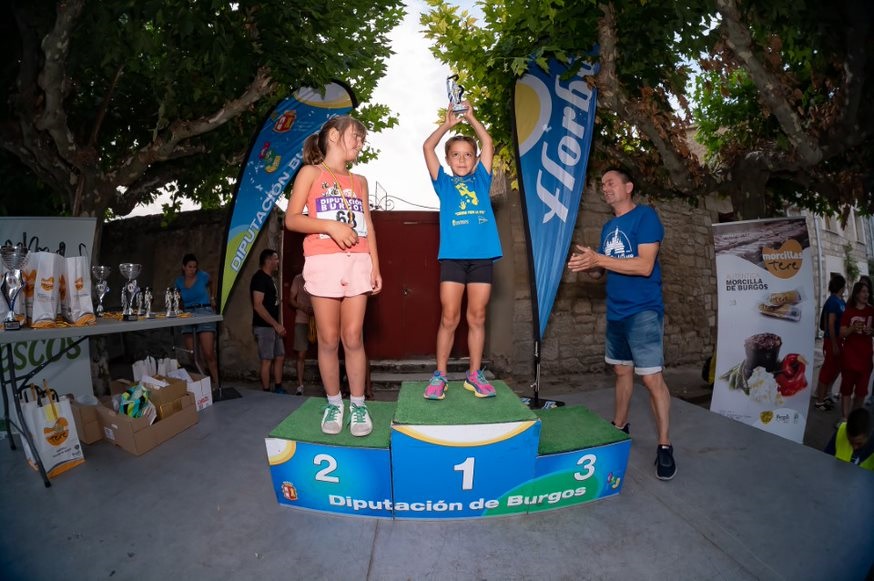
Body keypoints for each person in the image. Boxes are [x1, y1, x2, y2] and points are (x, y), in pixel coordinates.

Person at [567, 168, 676, 481]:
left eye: (611, 182)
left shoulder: (646, 217)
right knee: (621, 372)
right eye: (602, 184)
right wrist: (589, 266)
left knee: (651, 379)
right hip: (616, 312)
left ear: (629, 187)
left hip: (643, 311)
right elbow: (603, 270)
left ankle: (665, 444)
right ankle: (619, 427)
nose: (605, 187)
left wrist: (599, 260)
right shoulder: (608, 227)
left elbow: (644, 265)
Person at [285, 116, 382, 437]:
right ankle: (334, 403)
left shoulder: (360, 181)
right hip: (324, 262)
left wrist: (376, 266)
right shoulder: (310, 173)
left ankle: (358, 404)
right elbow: (292, 219)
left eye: (363, 139)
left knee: (353, 337)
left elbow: (369, 226)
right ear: (334, 135)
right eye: (356, 136)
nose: (360, 143)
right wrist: (330, 226)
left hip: (358, 262)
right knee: (327, 339)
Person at [421, 99, 501, 401]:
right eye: (455, 154)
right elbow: (427, 147)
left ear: (476, 158)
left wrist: (472, 118)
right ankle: (440, 375)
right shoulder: (443, 183)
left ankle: (474, 374)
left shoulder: (482, 179)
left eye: (468, 154)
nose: (462, 159)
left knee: (477, 316)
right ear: (448, 160)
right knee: (450, 317)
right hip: (453, 259)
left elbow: (488, 142)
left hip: (482, 258)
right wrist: (447, 125)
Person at [174, 254, 220, 387]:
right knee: (193, 355)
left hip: (204, 311)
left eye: (194, 267)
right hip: (188, 314)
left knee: (208, 353)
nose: (192, 270)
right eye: (190, 267)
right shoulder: (179, 281)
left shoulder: (203, 276)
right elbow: (177, 298)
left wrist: (212, 297)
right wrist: (179, 310)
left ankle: (218, 385)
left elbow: (212, 280)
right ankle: (205, 384)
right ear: (183, 267)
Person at [251, 248, 286, 393]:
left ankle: (278, 388)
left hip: (273, 327)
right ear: (268, 261)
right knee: (266, 360)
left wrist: (277, 325)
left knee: (280, 356)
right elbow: (258, 305)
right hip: (264, 327)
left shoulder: (269, 278)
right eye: (276, 259)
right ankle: (266, 392)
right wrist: (276, 325)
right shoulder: (259, 278)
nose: (278, 261)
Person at [837, 281, 873, 421]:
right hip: (849, 357)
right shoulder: (849, 311)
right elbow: (842, 333)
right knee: (846, 389)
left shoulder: (872, 311)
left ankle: (854, 418)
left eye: (867, 292)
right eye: (863, 291)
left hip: (866, 359)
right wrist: (852, 328)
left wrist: (872, 331)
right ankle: (845, 418)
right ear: (857, 294)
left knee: (861, 392)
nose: (866, 294)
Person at [813, 274, 846, 411]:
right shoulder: (832, 301)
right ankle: (819, 401)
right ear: (841, 287)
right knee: (827, 370)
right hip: (832, 340)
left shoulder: (840, 301)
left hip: (839, 340)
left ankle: (825, 395)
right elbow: (830, 325)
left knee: (835, 368)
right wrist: (834, 344)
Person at [288, 272, 313, 395]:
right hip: (302, 320)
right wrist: (303, 307)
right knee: (301, 354)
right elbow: (291, 299)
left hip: (320, 320)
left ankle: (328, 387)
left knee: (326, 351)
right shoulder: (298, 278)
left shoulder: (320, 275)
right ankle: (300, 385)